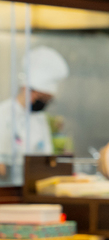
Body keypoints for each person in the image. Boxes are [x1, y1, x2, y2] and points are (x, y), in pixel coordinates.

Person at [0, 46, 68, 179]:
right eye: (43, 98)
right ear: (30, 91)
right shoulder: (3, 114)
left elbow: (47, 157)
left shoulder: (39, 118)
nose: (44, 103)